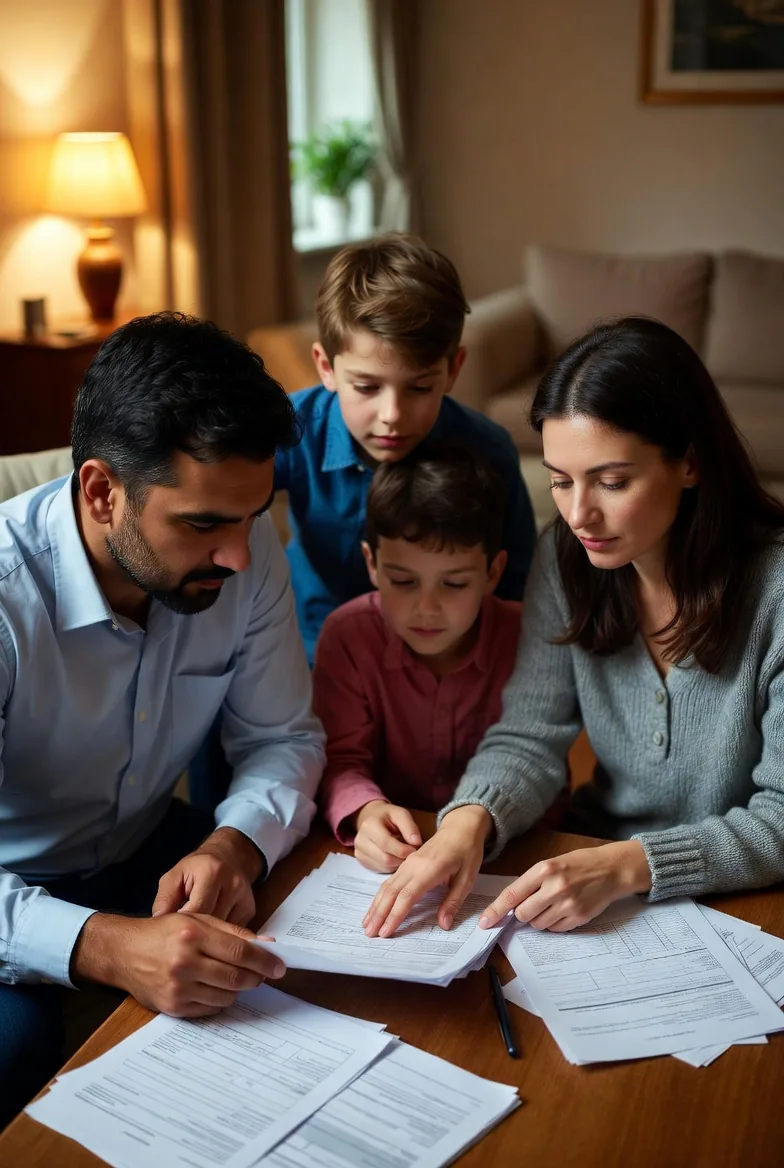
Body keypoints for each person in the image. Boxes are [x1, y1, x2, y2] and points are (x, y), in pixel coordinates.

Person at [359, 316, 784, 942]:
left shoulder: (774, 589)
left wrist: (631, 864)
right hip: (595, 869)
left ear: (689, 462)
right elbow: (532, 731)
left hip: (741, 898)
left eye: (612, 482)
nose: (580, 514)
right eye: (560, 481)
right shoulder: (566, 557)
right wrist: (467, 821)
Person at [0, 312, 325, 1127]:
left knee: (312, 969)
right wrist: (106, 946)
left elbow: (283, 738)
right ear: (103, 492)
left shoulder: (242, 551)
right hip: (16, 878)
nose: (241, 558)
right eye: (204, 524)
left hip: (147, 846)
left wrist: (235, 842)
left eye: (251, 517)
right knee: (16, 1049)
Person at [273, 232, 537, 665]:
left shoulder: (489, 449)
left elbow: (517, 584)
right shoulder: (290, 429)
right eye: (366, 387)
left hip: (444, 657)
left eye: (418, 387)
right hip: (316, 651)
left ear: (453, 370)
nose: (392, 414)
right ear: (326, 367)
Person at [313, 445, 523, 871]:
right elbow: (339, 761)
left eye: (454, 583)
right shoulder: (348, 636)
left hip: (512, 849)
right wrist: (365, 812)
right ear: (372, 564)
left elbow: (537, 759)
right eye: (403, 581)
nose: (426, 607)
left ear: (493, 573)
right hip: (398, 854)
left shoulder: (526, 636)